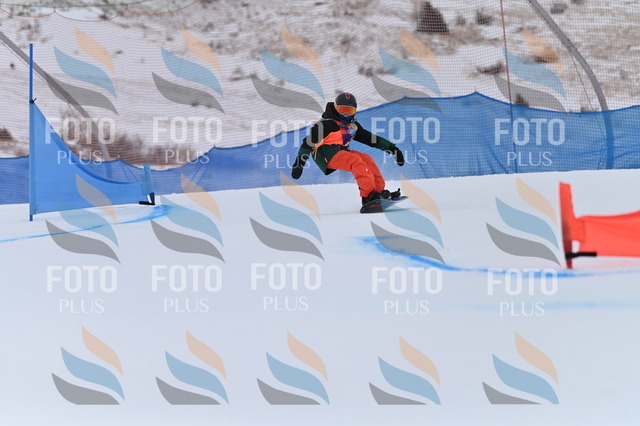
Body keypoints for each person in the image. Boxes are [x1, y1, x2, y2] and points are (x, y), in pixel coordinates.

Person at [290, 92, 405, 205]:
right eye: (342, 110)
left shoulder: (352, 126)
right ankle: (368, 196)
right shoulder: (325, 125)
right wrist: (299, 164)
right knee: (355, 161)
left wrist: (393, 149)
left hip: (341, 152)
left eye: (349, 111)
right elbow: (308, 143)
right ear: (336, 108)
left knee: (367, 159)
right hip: (326, 154)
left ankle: (378, 192)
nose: (346, 114)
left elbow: (370, 139)